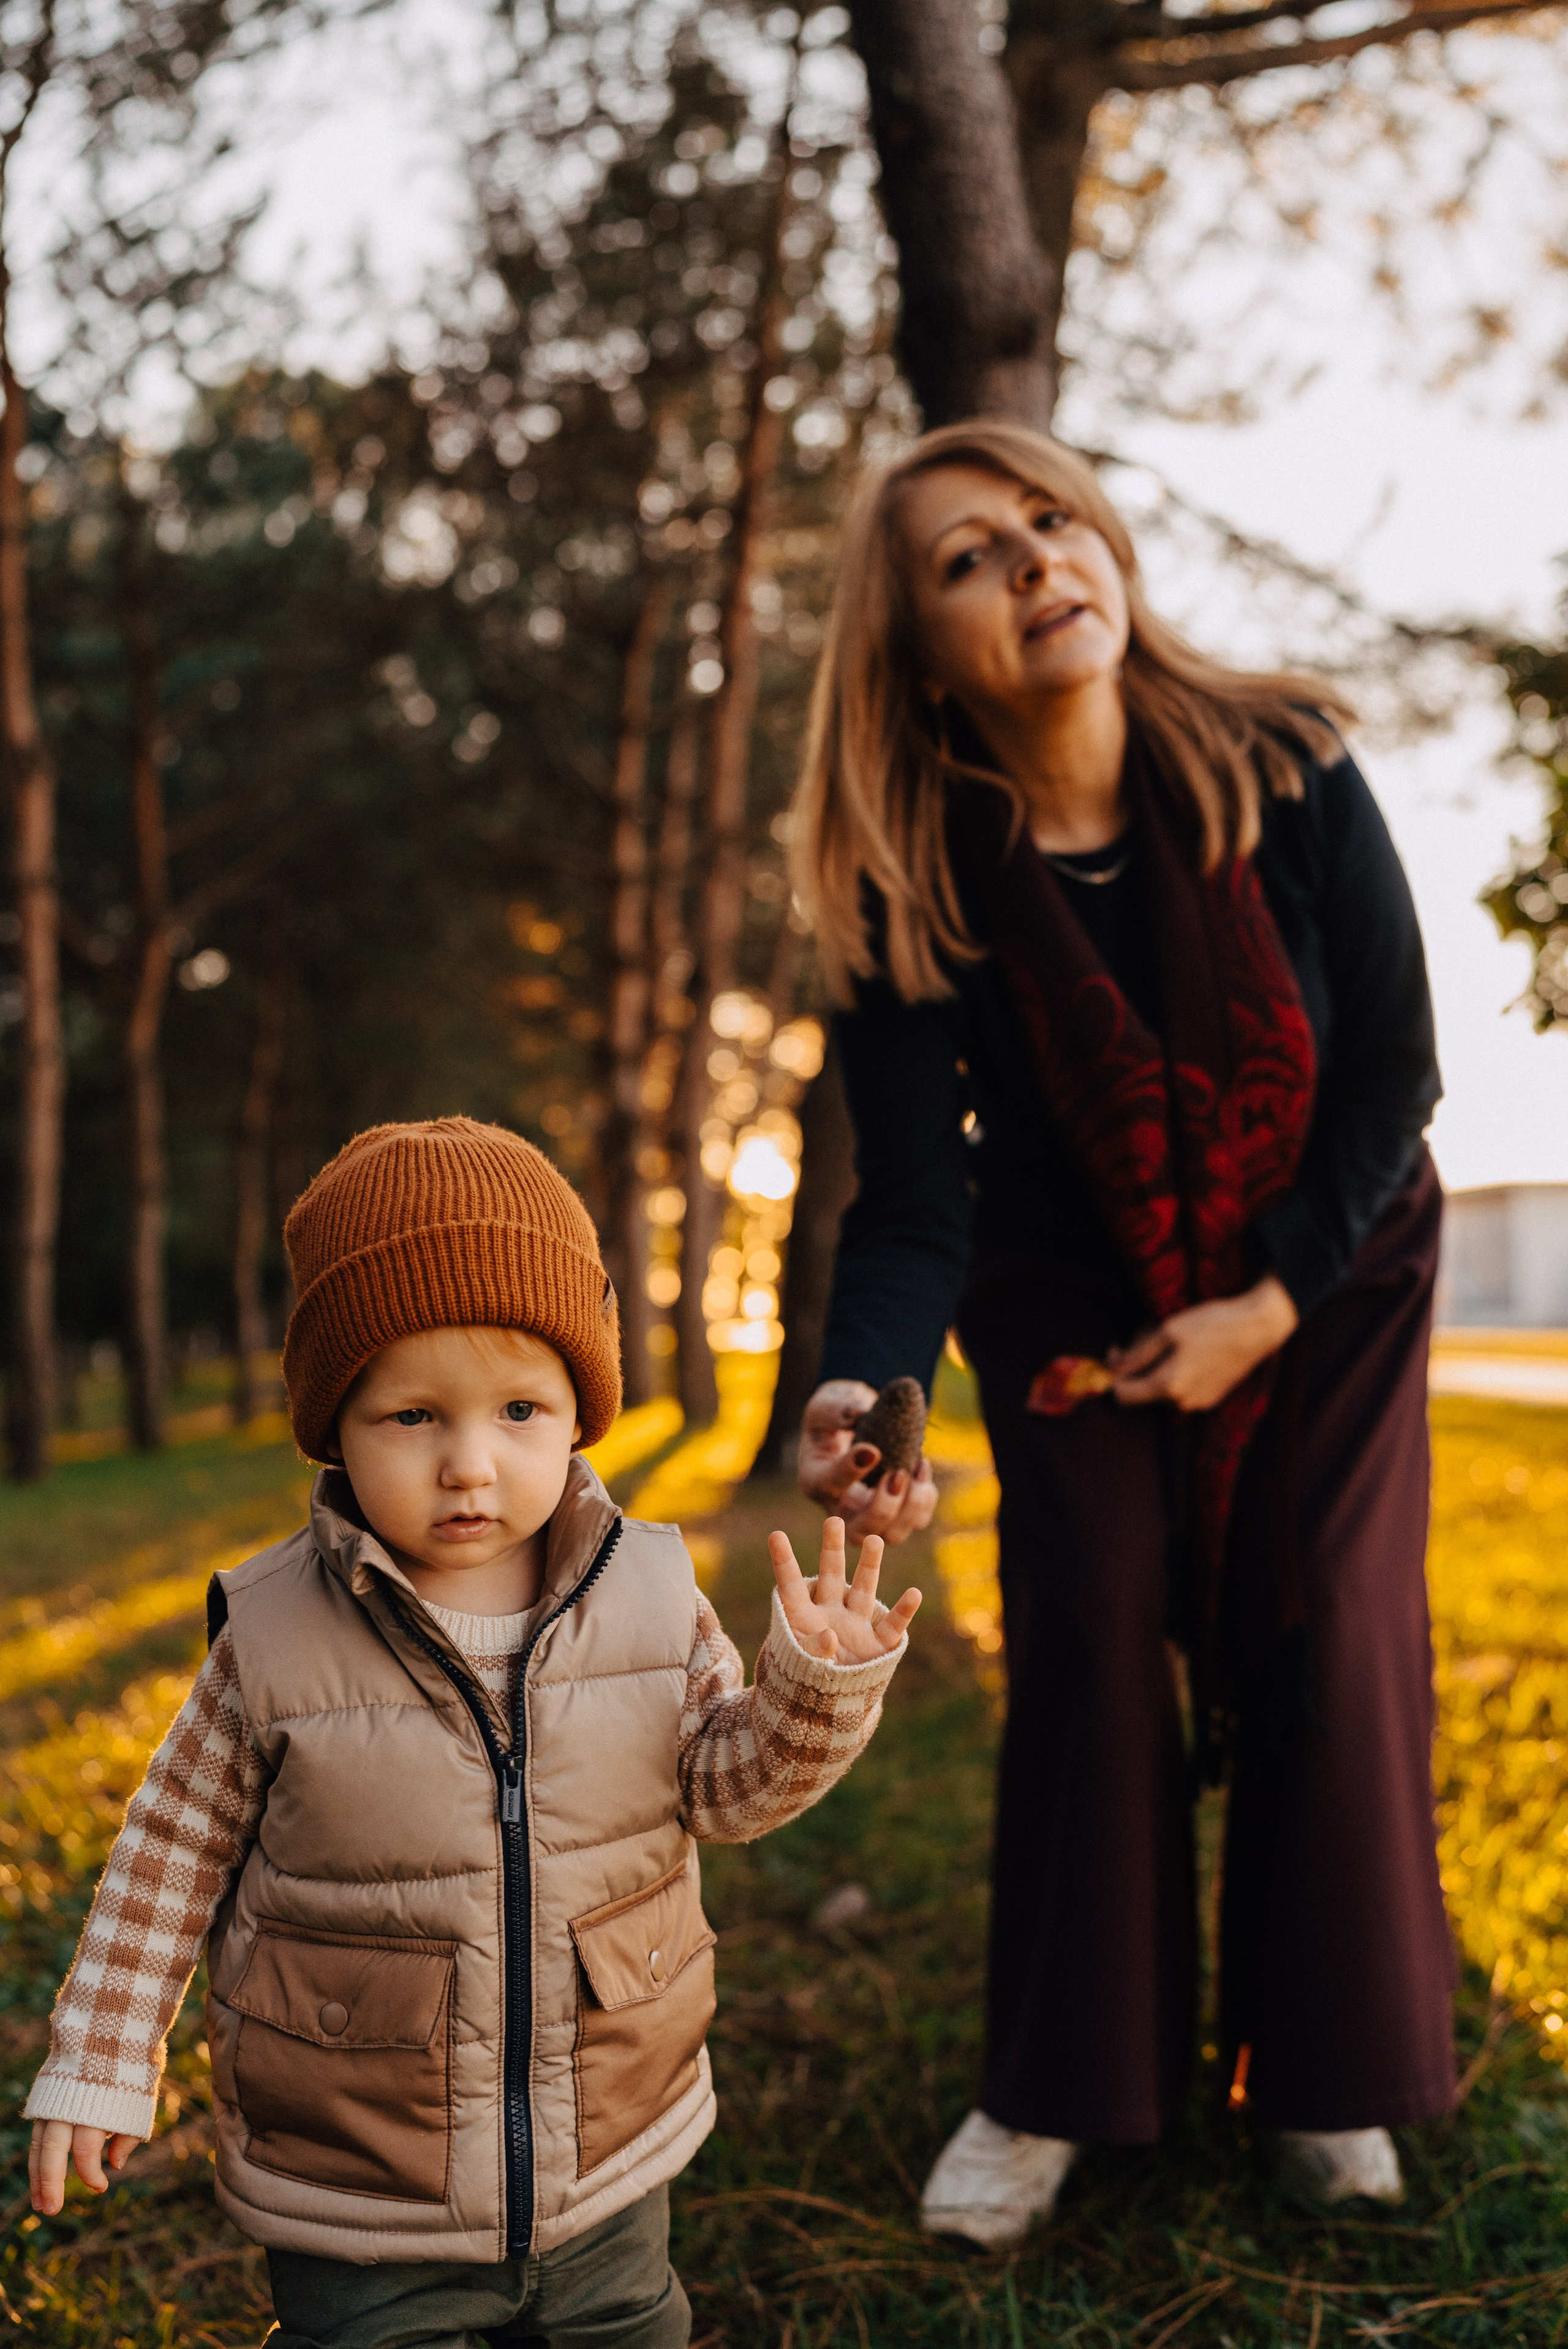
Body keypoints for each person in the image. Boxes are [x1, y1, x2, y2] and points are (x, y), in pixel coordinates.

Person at [790, 421, 1455, 2246]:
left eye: (1050, 519)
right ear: (918, 650)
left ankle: (1325, 2075)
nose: (1034, 559)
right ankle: (1056, 2087)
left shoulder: (1285, 764)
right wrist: (869, 1376)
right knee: (1086, 1621)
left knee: (1321, 1625)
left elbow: (1396, 1076)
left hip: (1330, 1255)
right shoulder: (904, 883)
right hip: (1072, 1293)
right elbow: (921, 1200)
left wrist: (1263, 1309)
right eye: (968, 559)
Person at [24, 1116, 919, 2348]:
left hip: (609, 2158)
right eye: (410, 1417)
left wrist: (814, 1690)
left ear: (578, 1414)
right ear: (334, 1421)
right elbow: (168, 1858)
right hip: (362, 2196)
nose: (469, 1465)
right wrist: (104, 2055)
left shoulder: (651, 1595)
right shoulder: (275, 1637)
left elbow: (730, 1789)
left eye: (517, 1409)